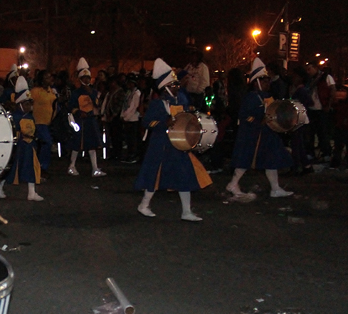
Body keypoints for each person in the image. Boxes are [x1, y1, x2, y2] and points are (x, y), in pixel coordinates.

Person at [135, 58, 212, 221]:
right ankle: (144, 205)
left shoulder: (182, 99)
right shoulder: (158, 103)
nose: (177, 87)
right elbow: (147, 122)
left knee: (185, 175)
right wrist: (164, 122)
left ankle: (186, 212)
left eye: (177, 84)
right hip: (161, 145)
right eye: (174, 85)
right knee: (154, 175)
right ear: (165, 87)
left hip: (179, 144)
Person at [226, 58, 294, 199]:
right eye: (264, 81)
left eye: (268, 81)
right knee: (245, 159)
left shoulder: (268, 96)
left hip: (266, 134)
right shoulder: (251, 97)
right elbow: (244, 116)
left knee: (271, 160)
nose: (267, 83)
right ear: (256, 82)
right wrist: (258, 121)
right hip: (252, 134)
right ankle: (233, 183)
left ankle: (275, 188)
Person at [0, 76, 42, 201]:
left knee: (32, 168)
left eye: (30, 103)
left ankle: (32, 192)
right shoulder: (14, 117)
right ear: (20, 104)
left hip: (29, 147)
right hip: (18, 148)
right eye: (26, 104)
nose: (29, 106)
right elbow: (11, 132)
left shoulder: (30, 116)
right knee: (12, 168)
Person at [67, 57, 105, 176]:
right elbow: (71, 107)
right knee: (77, 144)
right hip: (80, 121)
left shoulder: (93, 91)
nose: (86, 80)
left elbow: (97, 104)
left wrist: (91, 94)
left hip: (91, 120)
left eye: (88, 77)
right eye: (84, 78)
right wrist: (78, 112)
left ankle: (95, 168)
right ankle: (71, 166)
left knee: (92, 145)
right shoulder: (76, 93)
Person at [304, 62, 336, 160]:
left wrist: (328, 105)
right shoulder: (310, 80)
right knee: (311, 132)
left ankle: (326, 152)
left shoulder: (326, 77)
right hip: (312, 109)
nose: (308, 72)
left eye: (309, 69)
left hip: (321, 108)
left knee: (322, 132)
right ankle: (311, 152)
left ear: (315, 68)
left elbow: (332, 90)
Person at [30, 70, 57, 175]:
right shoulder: (35, 91)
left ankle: (40, 167)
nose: (49, 79)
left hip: (48, 122)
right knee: (47, 142)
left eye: (50, 77)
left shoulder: (51, 91)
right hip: (38, 122)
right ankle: (41, 167)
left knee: (43, 145)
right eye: (46, 77)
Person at [120, 73, 141, 163]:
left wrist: (126, 117)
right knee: (128, 139)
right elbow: (125, 105)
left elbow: (134, 107)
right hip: (127, 118)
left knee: (133, 139)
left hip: (133, 119)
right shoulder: (129, 93)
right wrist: (122, 115)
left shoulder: (136, 93)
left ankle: (133, 155)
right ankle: (129, 154)